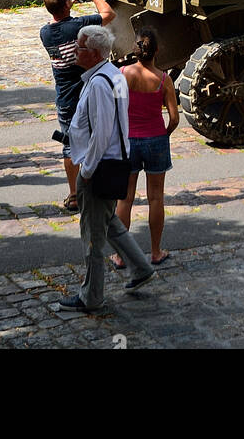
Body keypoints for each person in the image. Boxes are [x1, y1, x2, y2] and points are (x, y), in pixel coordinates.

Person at [57, 25, 155, 314]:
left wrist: (85, 172)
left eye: (80, 47)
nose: (75, 51)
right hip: (113, 164)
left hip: (99, 167)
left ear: (94, 53)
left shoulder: (100, 83)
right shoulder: (113, 75)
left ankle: (92, 297)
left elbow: (101, 133)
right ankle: (141, 268)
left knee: (92, 236)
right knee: (108, 220)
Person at [40, 0, 116, 211]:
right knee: (97, 138)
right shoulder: (79, 27)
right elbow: (108, 14)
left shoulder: (45, 33)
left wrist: (65, 6)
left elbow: (60, 23)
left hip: (64, 97)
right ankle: (96, 188)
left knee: (70, 145)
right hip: (86, 93)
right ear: (66, 4)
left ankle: (74, 194)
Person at [113, 28, 179, 267]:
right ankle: (155, 251)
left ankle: (120, 255)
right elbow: (174, 118)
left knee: (125, 198)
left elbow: (114, 107)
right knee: (155, 198)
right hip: (155, 140)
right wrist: (163, 134)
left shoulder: (122, 74)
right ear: (157, 51)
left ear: (135, 49)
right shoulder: (163, 79)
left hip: (129, 141)